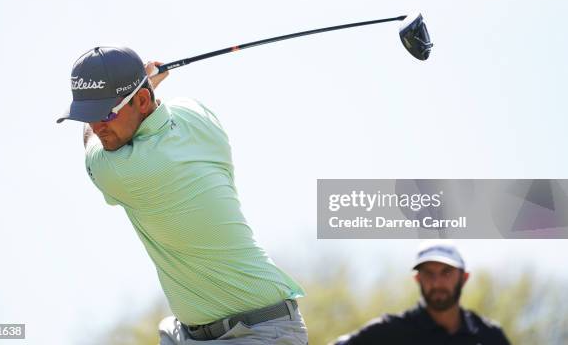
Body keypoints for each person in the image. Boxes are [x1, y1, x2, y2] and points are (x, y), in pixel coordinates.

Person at [57, 47, 308, 344]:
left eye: (104, 114)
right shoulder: (196, 114)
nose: (98, 127)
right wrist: (144, 88)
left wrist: (149, 82)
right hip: (192, 333)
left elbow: (88, 141)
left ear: (141, 100)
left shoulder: (127, 170)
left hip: (258, 332)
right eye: (89, 115)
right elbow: (157, 113)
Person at [333, 241, 511, 345]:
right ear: (417, 279)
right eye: (428, 273)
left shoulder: (489, 335)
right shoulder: (390, 331)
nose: (437, 282)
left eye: (446, 272)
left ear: (464, 277)